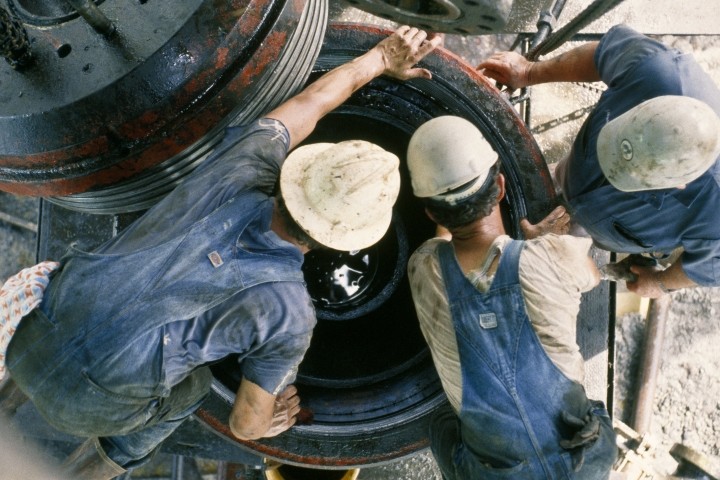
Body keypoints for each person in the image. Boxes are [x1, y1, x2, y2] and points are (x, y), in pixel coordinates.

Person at [1, 26, 442, 480]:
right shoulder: (290, 315)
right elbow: (245, 425)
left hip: (32, 333)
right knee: (191, 389)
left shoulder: (245, 162)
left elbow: (311, 106)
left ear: (300, 171)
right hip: (92, 410)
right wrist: (269, 420)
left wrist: (380, 59)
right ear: (346, 241)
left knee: (101, 301)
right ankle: (100, 467)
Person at [406, 115, 617, 479]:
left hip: (579, 469)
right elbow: (593, 275)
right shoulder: (555, 256)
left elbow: (442, 244)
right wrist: (538, 246)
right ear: (501, 187)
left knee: (439, 420)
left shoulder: (423, 267)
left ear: (428, 213)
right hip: (584, 452)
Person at [478, 24, 720, 298]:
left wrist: (660, 281)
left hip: (607, 229)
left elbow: (711, 267)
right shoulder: (658, 70)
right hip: (573, 174)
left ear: (680, 183)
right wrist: (529, 72)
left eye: (626, 174)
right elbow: (602, 56)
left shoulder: (716, 216)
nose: (612, 168)